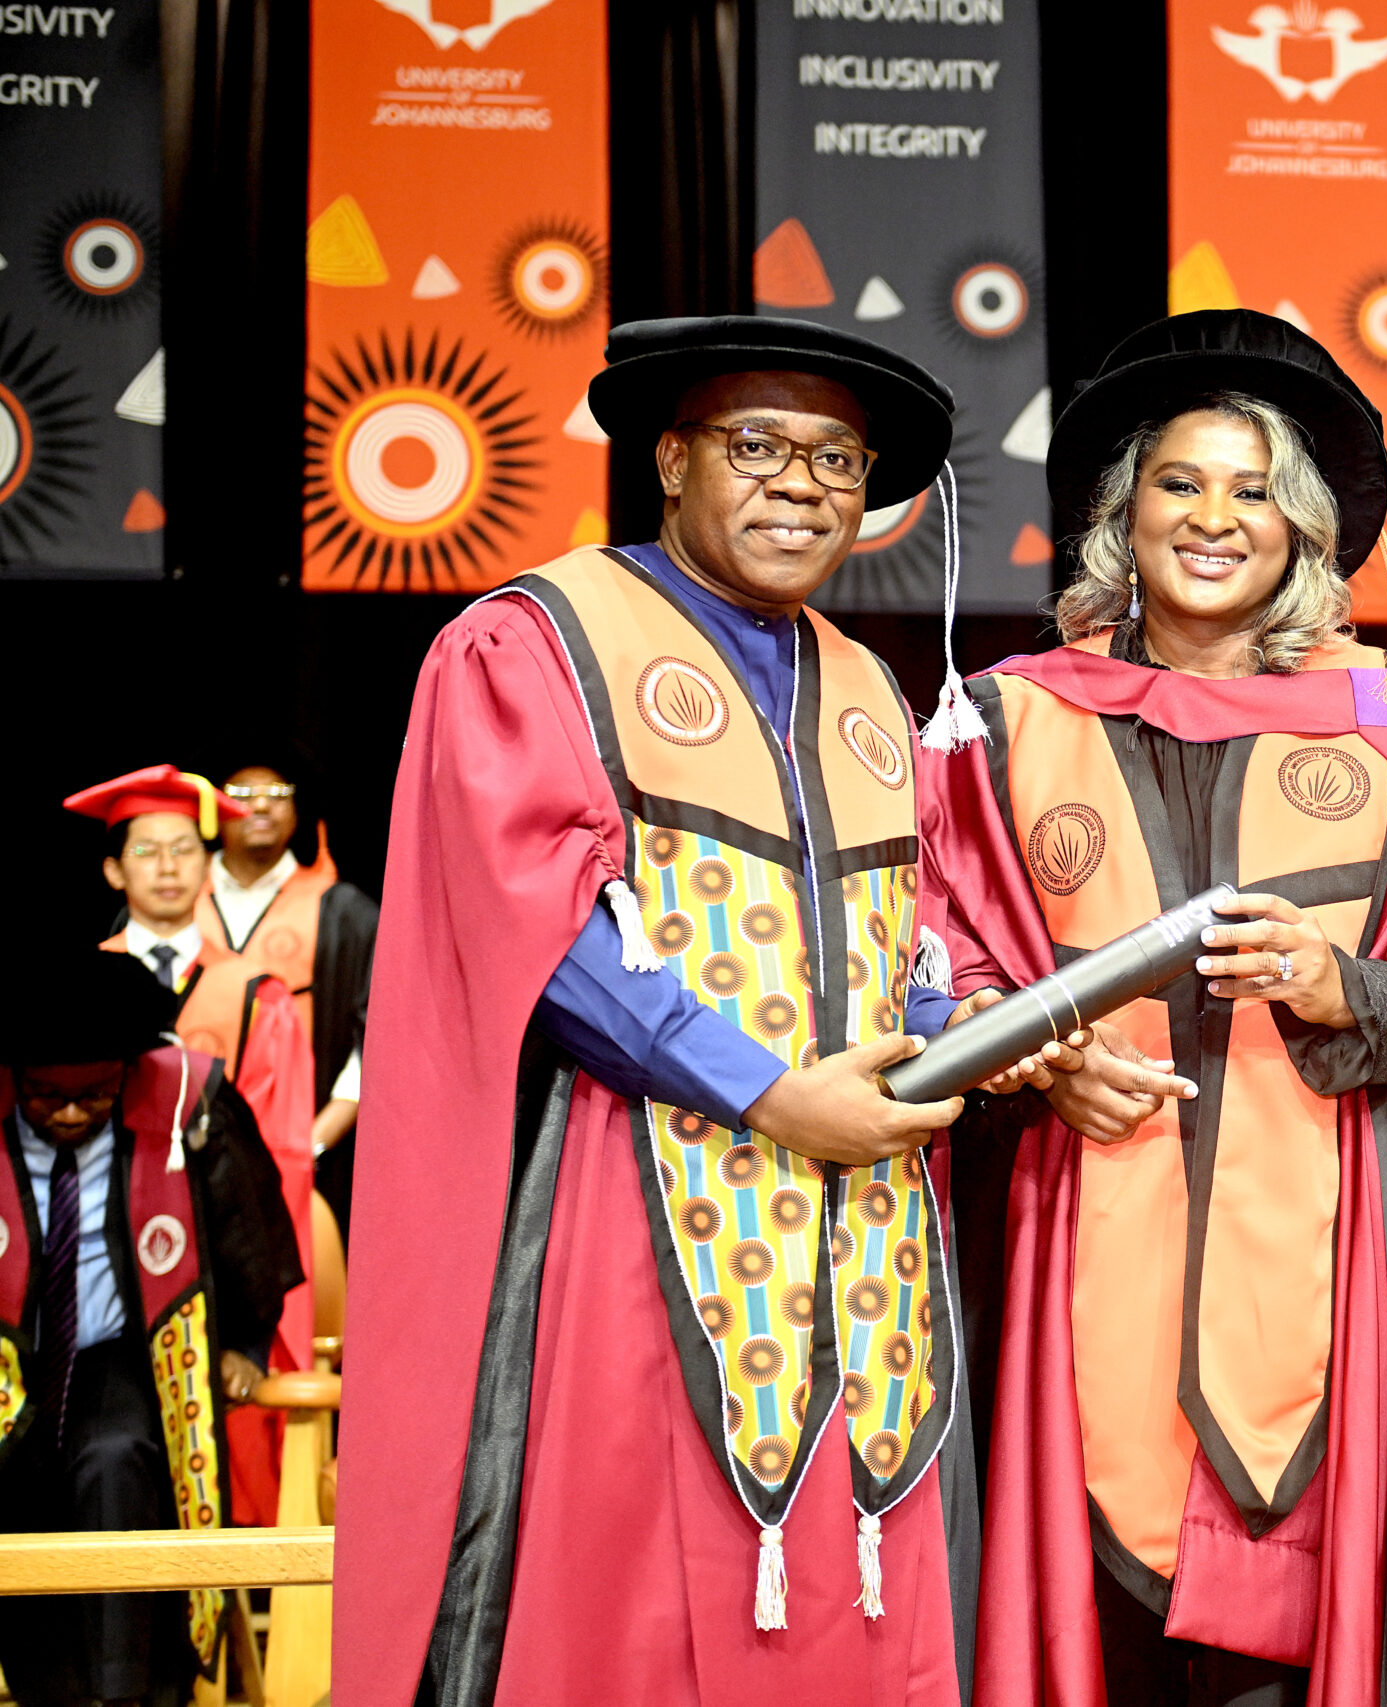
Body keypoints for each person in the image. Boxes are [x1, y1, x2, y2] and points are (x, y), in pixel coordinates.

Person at [337, 317, 989, 1707]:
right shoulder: (541, 637)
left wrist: (958, 1028)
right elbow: (536, 926)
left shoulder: (870, 686)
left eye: (836, 459)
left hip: (868, 1229)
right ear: (673, 460)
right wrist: (765, 1090)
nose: (802, 485)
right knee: (626, 1606)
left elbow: (914, 927)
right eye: (757, 447)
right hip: (638, 1209)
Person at [917, 309, 1387, 1707]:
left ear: (1302, 530)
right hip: (1076, 1233)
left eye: (1254, 491)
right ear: (1124, 510)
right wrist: (1033, 1059)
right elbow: (932, 958)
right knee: (1092, 1626)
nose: (1214, 519)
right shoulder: (1004, 722)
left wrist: (1339, 983)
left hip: (1333, 1263)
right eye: (1180, 482)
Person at [0, 948, 301, 1707]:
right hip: (9, 1356)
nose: (69, 1113)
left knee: (117, 1458)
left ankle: (121, 1691)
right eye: (44, 1097)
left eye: (92, 1095)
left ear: (125, 1071)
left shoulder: (185, 1100)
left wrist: (246, 1344)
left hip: (120, 1351)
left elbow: (246, 1226)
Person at [65, 764, 314, 1528]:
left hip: (212, 1273)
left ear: (208, 865)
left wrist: (255, 1319)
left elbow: (282, 1158)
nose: (169, 866)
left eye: (184, 849)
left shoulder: (255, 993)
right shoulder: (76, 986)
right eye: (148, 851)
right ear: (114, 868)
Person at [200, 762, 378, 1246]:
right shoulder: (170, 907)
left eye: (277, 792)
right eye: (241, 792)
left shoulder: (344, 913)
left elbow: (379, 1041)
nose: (259, 804)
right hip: (179, 1154)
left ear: (297, 812)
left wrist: (314, 1143)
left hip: (306, 1161)